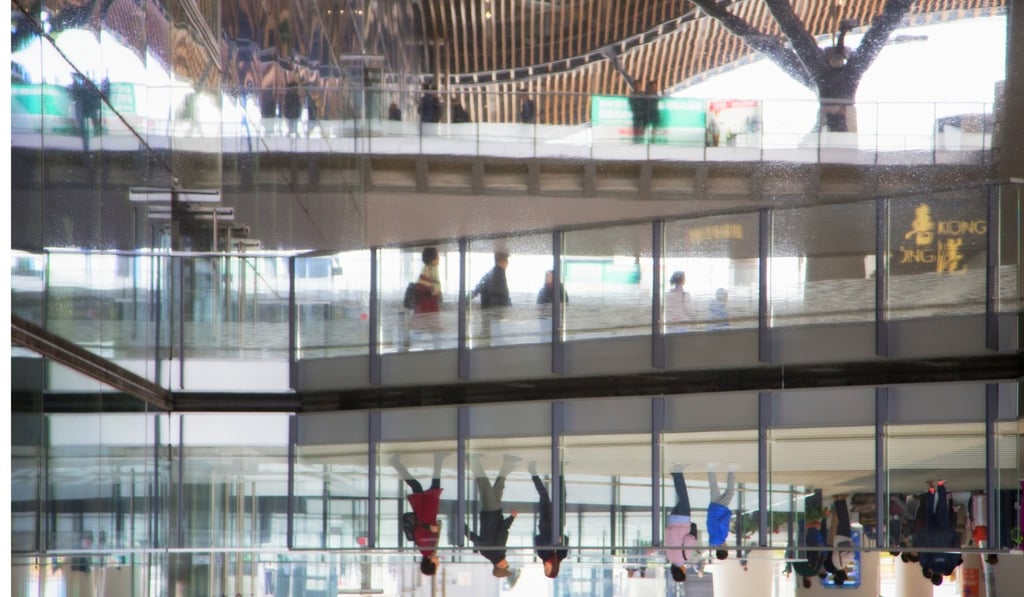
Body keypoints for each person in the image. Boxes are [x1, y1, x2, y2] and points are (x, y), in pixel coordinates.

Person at [389, 452, 448, 576]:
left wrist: (430, 528)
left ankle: (396, 463)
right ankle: (438, 458)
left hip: (425, 512)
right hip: (426, 512)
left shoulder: (426, 549)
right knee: (425, 486)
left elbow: (419, 533)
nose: (438, 563)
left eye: (436, 565)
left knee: (422, 486)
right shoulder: (429, 550)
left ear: (431, 563)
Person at [466, 453, 520, 579]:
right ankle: (507, 462)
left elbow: (503, 529)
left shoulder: (499, 552)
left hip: (493, 512)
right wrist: (463, 529)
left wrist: (512, 517)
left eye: (506, 566)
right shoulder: (486, 553)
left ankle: (472, 460)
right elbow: (475, 539)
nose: (507, 564)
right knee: (498, 487)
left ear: (500, 566)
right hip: (487, 514)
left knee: (484, 484)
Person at [915, 480, 963, 585]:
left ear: (941, 577)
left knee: (942, 508)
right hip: (930, 534)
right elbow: (923, 549)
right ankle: (931, 488)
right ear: (932, 576)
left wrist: (956, 535)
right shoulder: (926, 565)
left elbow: (956, 550)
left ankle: (940, 485)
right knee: (929, 511)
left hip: (945, 534)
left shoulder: (949, 566)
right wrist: (922, 536)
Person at [528, 460, 568, 578]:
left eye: (545, 570)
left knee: (544, 495)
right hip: (559, 523)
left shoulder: (542, 554)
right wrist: (561, 540)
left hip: (545, 522)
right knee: (562, 496)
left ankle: (533, 472)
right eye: (548, 570)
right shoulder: (561, 555)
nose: (545, 568)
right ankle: (560, 471)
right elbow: (566, 539)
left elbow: (537, 538)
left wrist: (550, 542)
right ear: (554, 568)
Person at [664, 465, 699, 583]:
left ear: (683, 571)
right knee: (682, 498)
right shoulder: (669, 558)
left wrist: (695, 541)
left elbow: (689, 539)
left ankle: (677, 473)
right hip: (671, 522)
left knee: (684, 497)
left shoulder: (684, 557)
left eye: (685, 572)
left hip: (682, 523)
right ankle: (676, 475)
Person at [471, 252, 512, 345]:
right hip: (494, 307)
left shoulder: (490, 272)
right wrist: (507, 304)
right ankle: (498, 350)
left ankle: (484, 348)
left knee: (487, 329)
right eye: (507, 263)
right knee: (495, 329)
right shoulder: (499, 272)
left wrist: (469, 297)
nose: (507, 265)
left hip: (487, 307)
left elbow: (479, 286)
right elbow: (503, 291)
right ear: (503, 262)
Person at [411, 247, 443, 348]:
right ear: (432, 259)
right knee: (427, 332)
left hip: (428, 309)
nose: (439, 258)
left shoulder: (431, 270)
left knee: (428, 332)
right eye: (437, 256)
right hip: (427, 309)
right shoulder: (428, 270)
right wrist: (436, 294)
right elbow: (425, 289)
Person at [706, 463, 737, 560]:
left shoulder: (722, 536)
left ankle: (731, 469)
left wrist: (729, 513)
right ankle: (710, 468)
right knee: (713, 487)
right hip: (712, 509)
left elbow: (722, 522)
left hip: (720, 509)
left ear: (724, 549)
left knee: (730, 492)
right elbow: (709, 523)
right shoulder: (712, 539)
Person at [822, 495, 855, 586]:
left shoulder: (841, 565)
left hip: (841, 541)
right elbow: (826, 558)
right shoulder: (830, 568)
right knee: (837, 522)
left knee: (844, 520)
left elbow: (851, 554)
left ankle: (841, 500)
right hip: (831, 544)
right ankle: (837, 501)